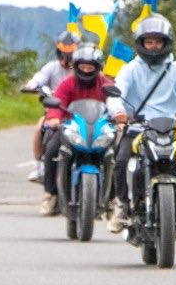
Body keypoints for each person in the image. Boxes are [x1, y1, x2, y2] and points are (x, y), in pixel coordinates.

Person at [107, 14, 176, 231]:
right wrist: (118, 112)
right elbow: (116, 92)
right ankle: (122, 205)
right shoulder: (130, 69)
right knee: (121, 159)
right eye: (149, 41)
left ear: (166, 42)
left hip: (173, 128)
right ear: (141, 43)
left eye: (158, 41)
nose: (153, 46)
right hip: (138, 128)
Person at [39, 42, 111, 216]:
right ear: (76, 66)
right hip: (71, 129)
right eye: (83, 66)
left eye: (90, 67)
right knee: (51, 150)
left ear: (97, 67)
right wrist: (55, 117)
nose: (86, 70)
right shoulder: (68, 83)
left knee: (115, 155)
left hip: (99, 130)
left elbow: (116, 103)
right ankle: (51, 194)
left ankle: (114, 200)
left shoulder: (105, 84)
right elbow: (57, 101)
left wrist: (120, 117)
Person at [22, 31, 79, 182]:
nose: (67, 58)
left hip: (80, 113)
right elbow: (39, 78)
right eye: (64, 53)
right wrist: (31, 85)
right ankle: (38, 164)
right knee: (40, 126)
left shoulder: (82, 70)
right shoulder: (51, 67)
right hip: (55, 112)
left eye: (71, 53)